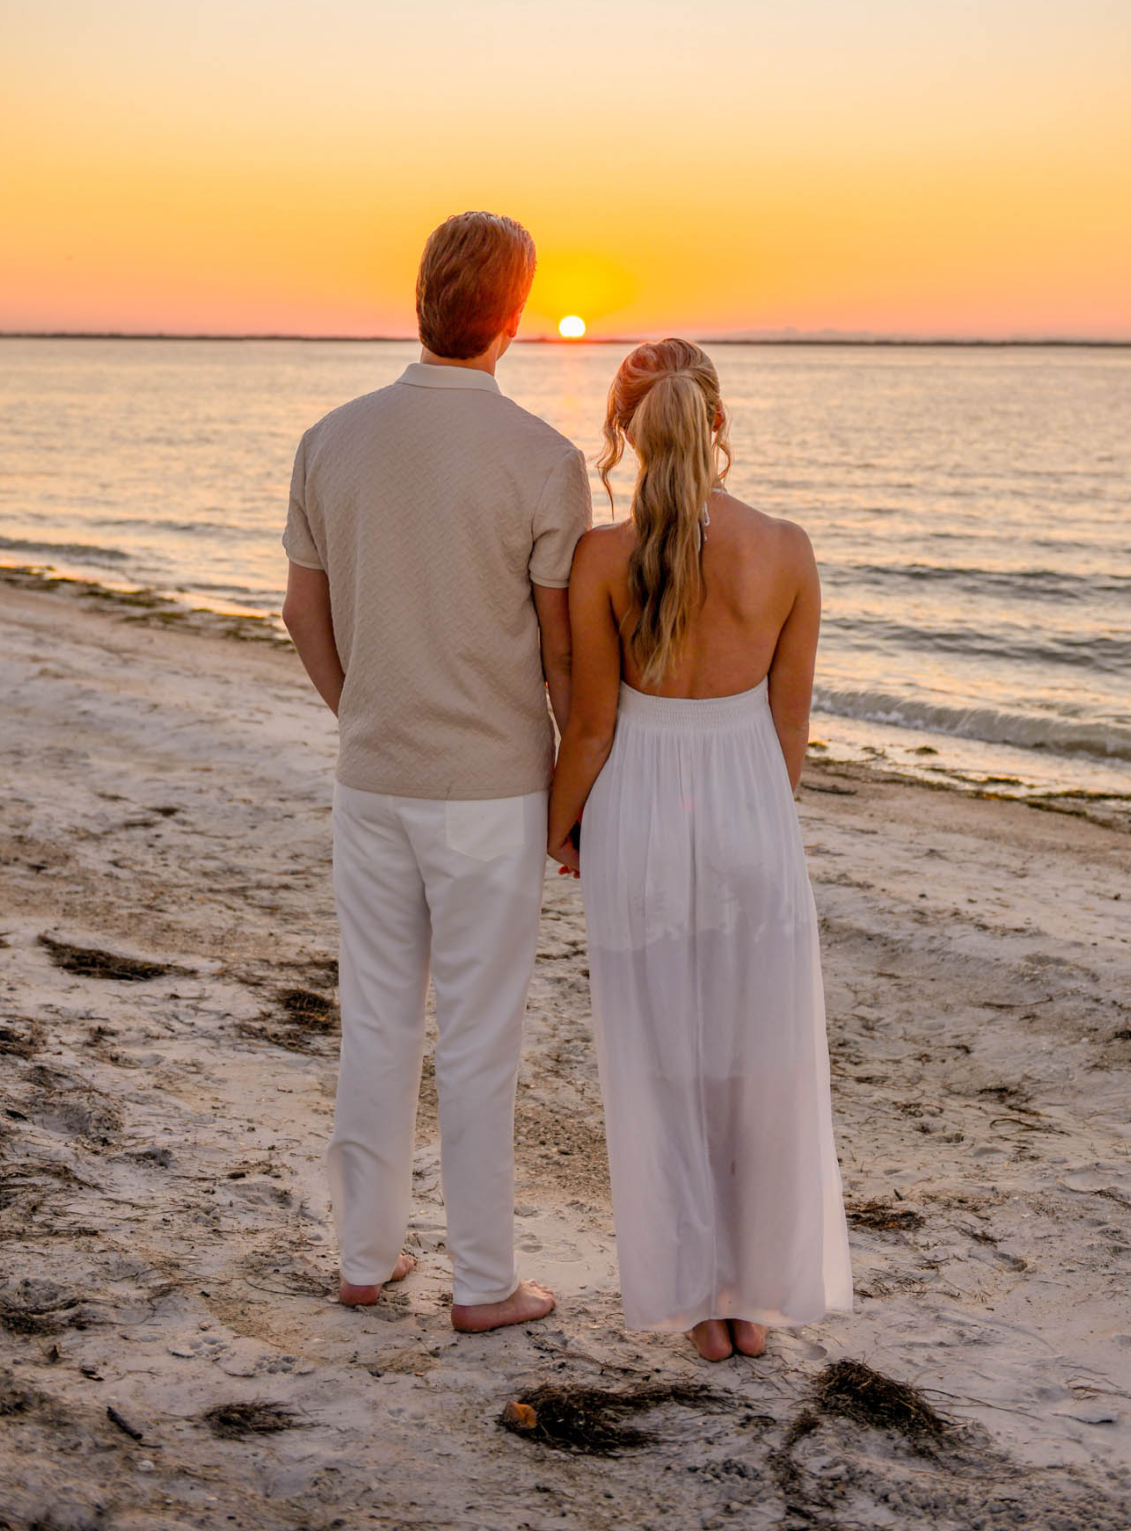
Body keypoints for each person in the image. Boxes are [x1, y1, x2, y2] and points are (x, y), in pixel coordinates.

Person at [282, 211, 591, 1331]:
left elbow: (301, 612)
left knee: (377, 1019)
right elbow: (561, 657)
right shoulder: (544, 462)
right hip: (493, 791)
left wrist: (361, 711)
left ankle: (365, 1260)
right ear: (512, 316)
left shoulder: (333, 437)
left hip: (373, 777)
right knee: (478, 1038)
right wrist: (576, 799)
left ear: (422, 300)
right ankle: (484, 1282)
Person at [547, 337, 852, 1361]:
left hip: (636, 808)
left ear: (623, 432)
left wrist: (559, 830)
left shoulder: (598, 557)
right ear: (718, 423)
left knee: (660, 1061)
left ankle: (691, 1303)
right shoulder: (789, 549)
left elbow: (589, 727)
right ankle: (753, 1300)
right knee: (756, 1061)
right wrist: (759, 823)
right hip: (751, 811)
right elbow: (790, 730)